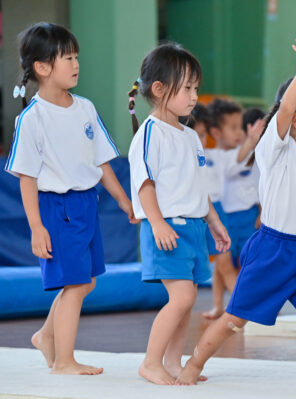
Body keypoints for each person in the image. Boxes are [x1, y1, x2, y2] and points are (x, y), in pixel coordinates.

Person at [175, 33, 296, 385]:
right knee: (235, 319)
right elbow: (286, 109)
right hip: (272, 250)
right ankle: (193, 365)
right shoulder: (275, 148)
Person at [5, 22, 135, 376]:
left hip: (85, 204)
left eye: (76, 56)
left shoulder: (85, 108)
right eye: (67, 58)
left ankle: (46, 337)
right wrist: (36, 227)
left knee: (86, 281)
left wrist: (124, 201)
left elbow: (102, 163)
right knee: (75, 284)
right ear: (42, 68)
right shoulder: (32, 118)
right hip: (56, 209)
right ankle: (63, 360)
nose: (76, 64)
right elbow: (27, 179)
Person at [127, 43, 231, 384]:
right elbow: (145, 184)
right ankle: (151, 362)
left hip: (194, 229)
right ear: (159, 90)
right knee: (183, 296)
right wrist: (157, 223)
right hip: (167, 228)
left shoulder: (190, 136)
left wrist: (213, 222)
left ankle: (173, 361)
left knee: (186, 300)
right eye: (186, 88)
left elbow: (199, 186)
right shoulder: (150, 133)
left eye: (195, 88)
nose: (193, 96)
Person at [199, 98, 248, 320]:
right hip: (197, 212)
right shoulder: (192, 156)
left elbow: (239, 156)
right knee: (220, 265)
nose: (199, 139)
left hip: (216, 211)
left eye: (202, 135)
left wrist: (253, 138)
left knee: (225, 264)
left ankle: (241, 308)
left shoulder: (215, 156)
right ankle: (221, 306)